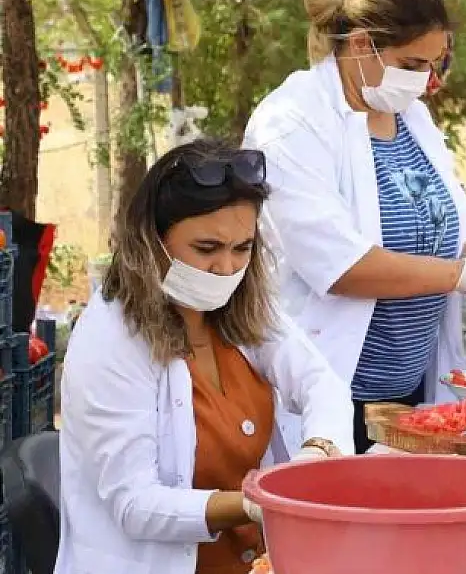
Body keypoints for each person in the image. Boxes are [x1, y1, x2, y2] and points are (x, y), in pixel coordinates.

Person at [243, 0, 466, 455]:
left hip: (411, 389)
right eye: (413, 65)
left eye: (433, 64)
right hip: (333, 390)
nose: (427, 81)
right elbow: (341, 267)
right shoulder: (291, 125)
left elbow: (450, 213)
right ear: (362, 44)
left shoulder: (409, 116)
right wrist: (459, 275)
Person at [55, 140, 353, 574]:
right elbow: (136, 504)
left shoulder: (238, 308)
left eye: (242, 248)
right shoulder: (111, 338)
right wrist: (255, 504)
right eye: (206, 248)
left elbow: (318, 381)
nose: (227, 268)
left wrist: (318, 451)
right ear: (152, 242)